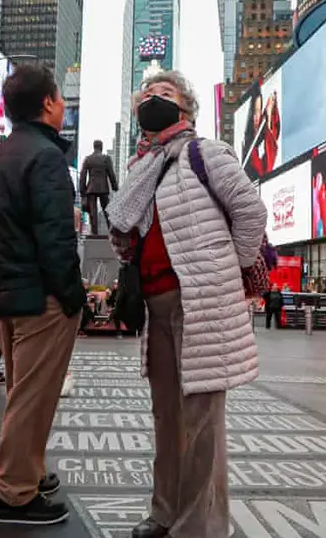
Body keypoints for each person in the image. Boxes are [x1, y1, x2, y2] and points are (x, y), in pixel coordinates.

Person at [106, 70, 266, 538]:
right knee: (167, 416)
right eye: (147, 95)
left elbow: (250, 212)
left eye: (165, 93)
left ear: (186, 108)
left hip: (201, 301)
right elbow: (129, 233)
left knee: (201, 420)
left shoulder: (204, 153)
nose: (153, 99)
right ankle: (164, 513)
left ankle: (199, 528)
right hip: (155, 303)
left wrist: (228, 267)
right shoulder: (140, 169)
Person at [0, 64, 86, 525]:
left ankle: (30, 472)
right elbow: (56, 236)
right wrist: (73, 296)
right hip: (42, 298)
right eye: (59, 99)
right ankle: (14, 494)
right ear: (46, 104)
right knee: (32, 398)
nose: (63, 106)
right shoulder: (45, 158)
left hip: (6, 295)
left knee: (24, 393)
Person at [79, 139, 118, 236]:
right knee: (107, 210)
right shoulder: (106, 158)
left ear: (94, 147)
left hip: (91, 188)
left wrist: (83, 191)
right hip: (103, 188)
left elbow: (83, 176)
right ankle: (111, 231)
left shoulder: (88, 159)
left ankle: (94, 232)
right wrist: (115, 187)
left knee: (93, 211)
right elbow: (111, 174)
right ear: (101, 147)